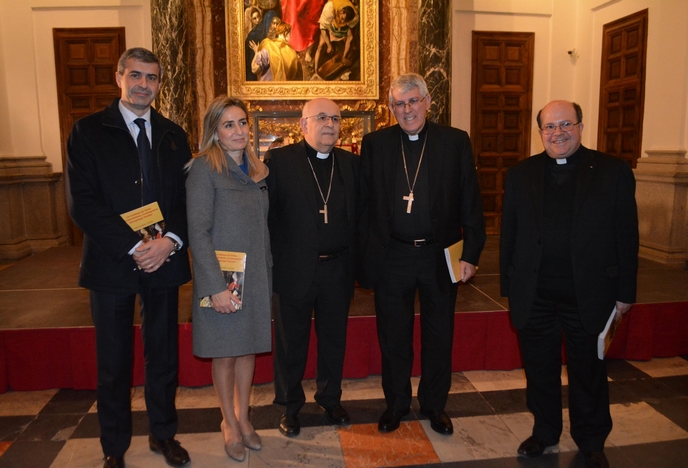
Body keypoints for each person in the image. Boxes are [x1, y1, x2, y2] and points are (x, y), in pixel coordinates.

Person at [66, 47, 192, 468]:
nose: (143, 84)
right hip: (112, 263)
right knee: (114, 362)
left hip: (164, 261)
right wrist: (135, 246)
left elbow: (187, 201)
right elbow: (82, 204)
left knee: (164, 357)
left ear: (159, 83)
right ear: (119, 77)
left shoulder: (174, 134)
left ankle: (164, 436)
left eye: (152, 77)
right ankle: (114, 448)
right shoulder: (87, 132)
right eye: (135, 75)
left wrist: (169, 241)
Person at [499, 100, 639, 468]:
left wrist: (626, 293)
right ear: (540, 131)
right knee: (540, 370)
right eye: (549, 127)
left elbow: (627, 235)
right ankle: (544, 432)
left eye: (566, 124)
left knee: (588, 372)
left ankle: (591, 439)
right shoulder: (520, 174)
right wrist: (509, 288)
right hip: (536, 294)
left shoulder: (613, 171)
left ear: (580, 125)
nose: (557, 133)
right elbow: (509, 235)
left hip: (589, 294)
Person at [358, 73, 486, 435]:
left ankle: (434, 405)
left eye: (413, 101)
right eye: (399, 104)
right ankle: (396, 404)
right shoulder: (376, 144)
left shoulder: (454, 141)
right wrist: (367, 258)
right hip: (392, 256)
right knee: (393, 336)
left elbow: (470, 202)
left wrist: (471, 253)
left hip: (439, 255)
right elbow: (365, 206)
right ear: (391, 108)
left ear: (428, 102)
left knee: (439, 333)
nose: (407, 109)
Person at [265, 98, 360, 437]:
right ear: (303, 124)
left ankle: (330, 398)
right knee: (292, 343)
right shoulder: (279, 161)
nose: (330, 124)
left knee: (334, 340)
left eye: (335, 118)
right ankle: (289, 407)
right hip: (293, 269)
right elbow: (267, 216)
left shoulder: (350, 163)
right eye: (321, 117)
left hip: (337, 268)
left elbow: (359, 218)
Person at [186, 97, 272, 463]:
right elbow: (198, 231)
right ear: (215, 131)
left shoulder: (258, 169)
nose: (238, 131)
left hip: (255, 276)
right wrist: (214, 287)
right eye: (228, 125)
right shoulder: (204, 168)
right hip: (223, 278)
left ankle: (245, 417)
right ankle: (228, 424)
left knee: (248, 347)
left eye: (242, 123)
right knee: (225, 352)